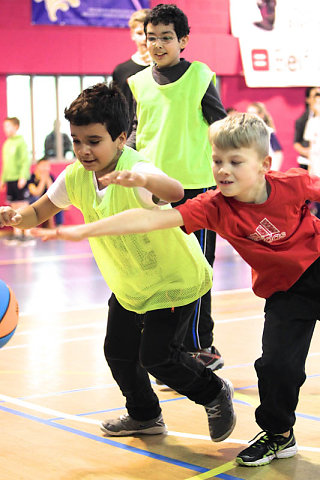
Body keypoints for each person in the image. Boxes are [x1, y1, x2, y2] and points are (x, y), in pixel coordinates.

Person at [36, 112, 320, 467]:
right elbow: (151, 218)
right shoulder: (214, 207)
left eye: (235, 162)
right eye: (217, 161)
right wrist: (84, 230)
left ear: (264, 164)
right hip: (285, 291)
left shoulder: (294, 183)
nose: (223, 170)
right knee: (277, 366)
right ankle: (279, 435)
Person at [0, 82, 236, 444]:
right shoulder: (75, 176)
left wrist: (145, 177)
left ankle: (214, 392)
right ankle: (145, 416)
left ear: (121, 138)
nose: (83, 150)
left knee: (158, 357)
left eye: (93, 141)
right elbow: (39, 210)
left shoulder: (136, 169)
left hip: (173, 280)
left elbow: (173, 191)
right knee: (119, 353)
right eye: (77, 141)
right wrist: (16, 218)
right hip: (130, 286)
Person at [127, 3, 227, 370]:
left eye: (166, 37)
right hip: (151, 192)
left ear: (183, 40)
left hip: (196, 191)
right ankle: (162, 348)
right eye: (151, 38)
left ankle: (201, 346)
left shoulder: (201, 76)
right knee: (157, 270)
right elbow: (139, 132)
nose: (157, 45)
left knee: (198, 270)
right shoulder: (137, 83)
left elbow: (221, 127)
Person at [112, 8, 151, 136]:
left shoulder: (163, 69)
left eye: (148, 33)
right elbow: (116, 109)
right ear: (132, 35)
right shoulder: (121, 71)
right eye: (140, 33)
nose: (144, 38)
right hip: (128, 136)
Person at [0, 116, 31, 243]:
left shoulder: (21, 142)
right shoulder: (7, 144)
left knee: (23, 205)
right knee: (13, 206)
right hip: (10, 179)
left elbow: (25, 160)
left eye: (8, 126)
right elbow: (5, 164)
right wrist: (3, 180)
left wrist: (23, 176)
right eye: (4, 126)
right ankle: (17, 233)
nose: (5, 129)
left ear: (16, 127)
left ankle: (28, 233)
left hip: (19, 178)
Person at [247, 101, 283, 171]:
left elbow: (278, 153)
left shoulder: (269, 132)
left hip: (268, 169)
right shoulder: (247, 133)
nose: (250, 116)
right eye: (248, 113)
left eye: (253, 114)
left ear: (261, 115)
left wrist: (275, 169)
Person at [28, 157, 64, 227]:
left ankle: (58, 225)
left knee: (58, 202)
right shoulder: (32, 177)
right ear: (38, 166)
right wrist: (43, 180)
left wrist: (47, 180)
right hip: (35, 200)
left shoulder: (50, 176)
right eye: (43, 166)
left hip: (47, 199)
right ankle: (33, 227)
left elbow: (54, 191)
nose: (46, 168)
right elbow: (36, 193)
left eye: (47, 166)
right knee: (35, 200)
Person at [293, 86, 320, 170]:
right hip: (312, 160)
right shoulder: (305, 120)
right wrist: (307, 153)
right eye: (315, 97)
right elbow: (297, 142)